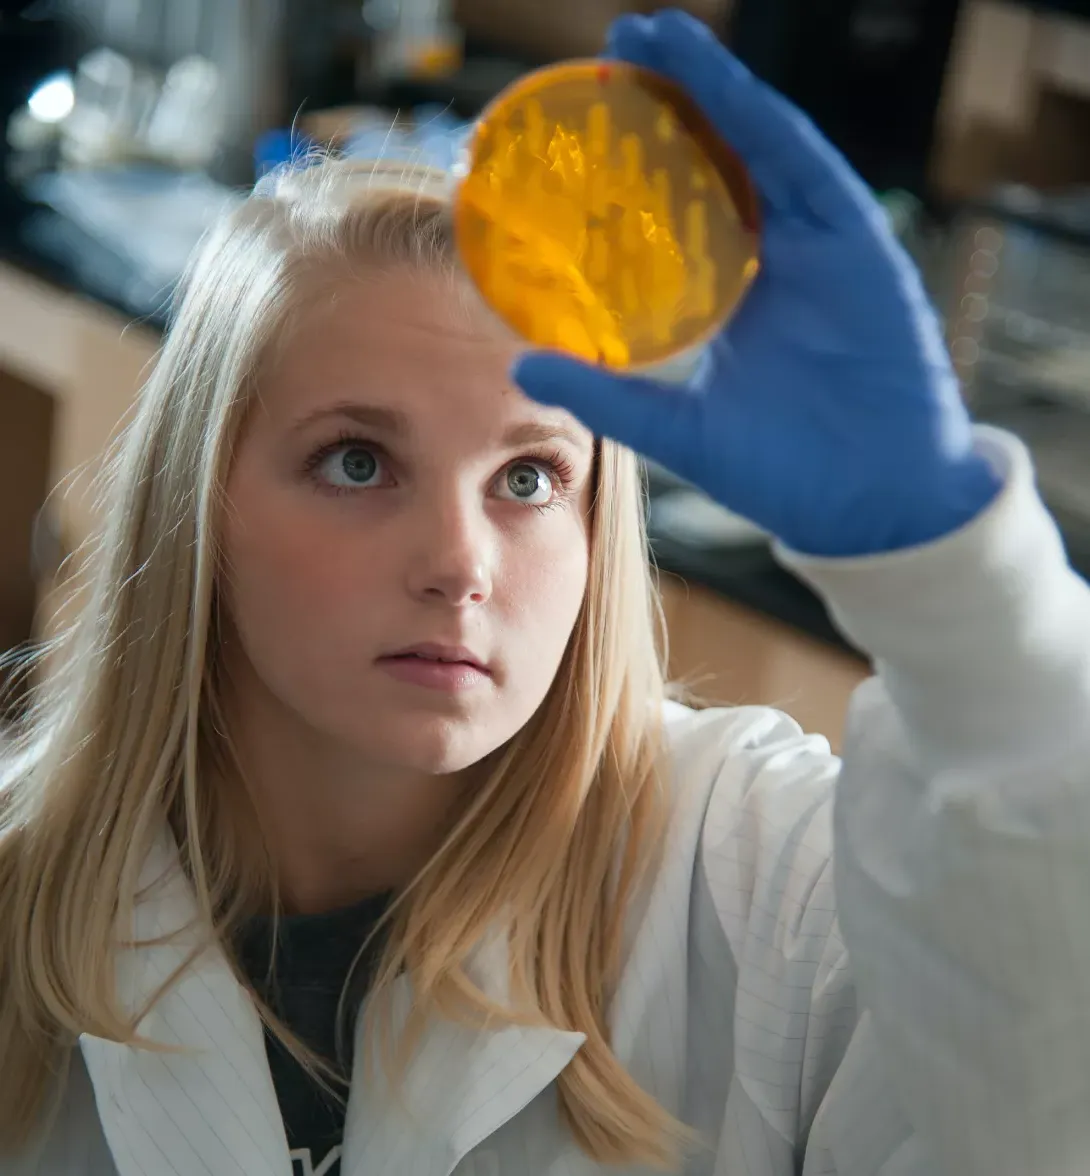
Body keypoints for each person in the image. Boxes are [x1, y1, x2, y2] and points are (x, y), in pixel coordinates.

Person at [1, 9, 1088, 1175]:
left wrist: (955, 582)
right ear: (196, 502)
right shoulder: (23, 903)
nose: (460, 563)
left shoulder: (762, 875)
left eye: (527, 477)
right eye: (357, 462)